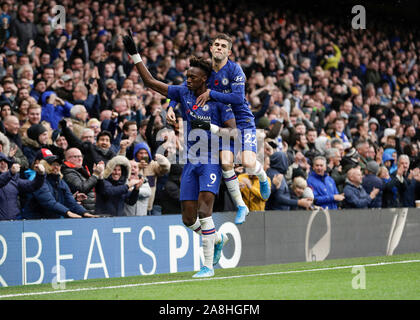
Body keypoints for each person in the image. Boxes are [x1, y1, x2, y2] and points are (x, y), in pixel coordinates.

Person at [123, 30, 235, 278]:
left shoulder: (219, 101)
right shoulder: (183, 92)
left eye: (192, 78)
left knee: (205, 213)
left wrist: (212, 128)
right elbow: (150, 83)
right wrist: (134, 54)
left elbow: (233, 133)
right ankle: (216, 239)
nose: (187, 80)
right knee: (188, 219)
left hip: (211, 162)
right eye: (186, 77)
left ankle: (207, 267)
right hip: (190, 162)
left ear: (205, 79)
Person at [171, 33, 271, 225]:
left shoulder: (235, 70)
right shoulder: (206, 71)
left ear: (229, 51)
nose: (219, 48)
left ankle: (262, 177)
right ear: (211, 48)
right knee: (226, 163)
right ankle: (241, 206)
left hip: (242, 120)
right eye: (216, 44)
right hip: (224, 123)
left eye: (223, 46)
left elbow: (238, 98)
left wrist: (211, 94)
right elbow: (184, 87)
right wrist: (169, 106)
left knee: (249, 163)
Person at [22, 149, 96, 219]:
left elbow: (70, 201)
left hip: (52, 220)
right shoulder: (39, 180)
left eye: (58, 165)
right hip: (34, 221)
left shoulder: (60, 181)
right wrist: (68, 212)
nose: (56, 167)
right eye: (53, 164)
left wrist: (84, 213)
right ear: (44, 165)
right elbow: (48, 202)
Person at [0, 152, 45, 220]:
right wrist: (10, 173)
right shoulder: (10, 175)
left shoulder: (14, 180)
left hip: (14, 223)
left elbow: (32, 186)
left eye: (5, 161)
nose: (3, 163)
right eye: (0, 162)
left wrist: (40, 175)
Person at [61, 147, 105, 214]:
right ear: (68, 159)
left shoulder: (82, 171)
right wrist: (95, 174)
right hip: (80, 212)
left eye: (81, 156)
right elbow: (82, 189)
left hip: (90, 210)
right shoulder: (68, 172)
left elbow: (100, 191)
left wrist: (100, 176)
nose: (80, 159)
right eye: (76, 156)